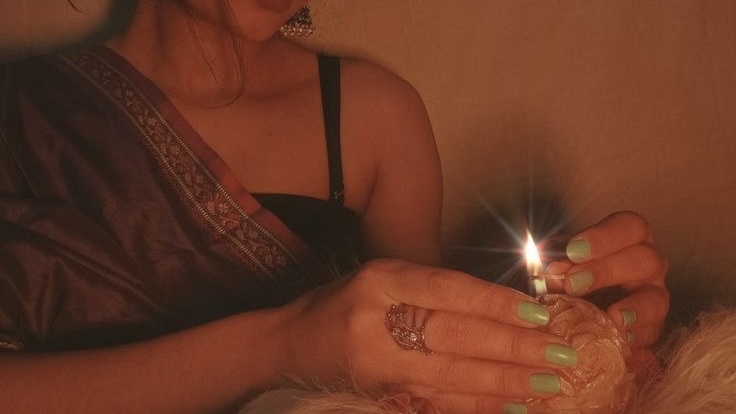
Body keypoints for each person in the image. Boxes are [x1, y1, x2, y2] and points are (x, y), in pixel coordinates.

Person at [0, 1, 669, 413]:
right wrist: (281, 344)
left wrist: (568, 349)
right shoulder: (21, 115)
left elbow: (414, 379)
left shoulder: (373, 116)